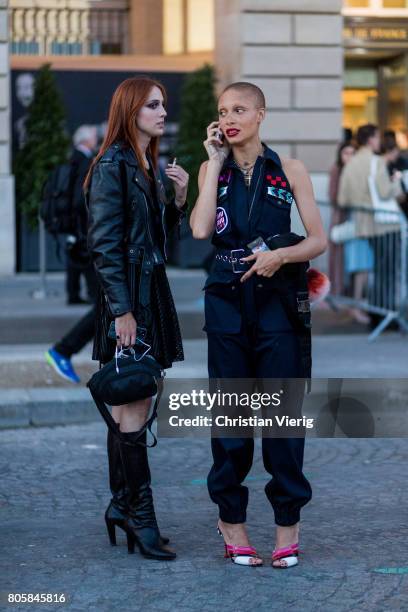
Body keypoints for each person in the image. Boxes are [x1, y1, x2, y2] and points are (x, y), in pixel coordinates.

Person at [190, 82, 327, 568]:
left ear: (261, 114)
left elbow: (317, 239)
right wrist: (212, 166)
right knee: (230, 421)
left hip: (278, 305)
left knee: (283, 420)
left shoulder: (289, 169)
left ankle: (288, 524)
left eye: (240, 109)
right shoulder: (212, 168)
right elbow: (201, 229)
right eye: (223, 111)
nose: (230, 118)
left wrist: (281, 256)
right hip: (226, 303)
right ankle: (232, 523)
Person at [86, 76, 189, 560]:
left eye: (163, 104)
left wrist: (177, 198)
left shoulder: (145, 165)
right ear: (130, 111)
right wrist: (122, 310)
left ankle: (121, 505)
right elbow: (104, 245)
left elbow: (159, 242)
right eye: (152, 105)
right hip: (130, 298)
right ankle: (139, 516)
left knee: (134, 401)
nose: (162, 112)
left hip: (148, 292)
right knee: (133, 404)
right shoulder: (112, 165)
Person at [45, 126, 99, 384]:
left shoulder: (71, 159)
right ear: (87, 140)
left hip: (80, 239)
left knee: (109, 305)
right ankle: (63, 350)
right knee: (109, 305)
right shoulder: (86, 161)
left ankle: (106, 362)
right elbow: (80, 201)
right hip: (89, 240)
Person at [337, 124, 402, 324]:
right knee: (389, 270)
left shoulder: (352, 163)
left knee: (379, 269)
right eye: (377, 137)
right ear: (371, 139)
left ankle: (377, 313)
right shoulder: (377, 162)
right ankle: (385, 315)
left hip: (362, 224)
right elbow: (384, 192)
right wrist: (397, 181)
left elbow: (342, 200)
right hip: (385, 224)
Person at [66, 125, 99, 305]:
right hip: (80, 216)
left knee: (75, 253)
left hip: (72, 215)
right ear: (85, 139)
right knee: (86, 254)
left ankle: (73, 293)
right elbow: (80, 192)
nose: (96, 139)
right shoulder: (85, 160)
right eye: (94, 136)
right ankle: (93, 293)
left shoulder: (73, 156)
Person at [328, 141, 355, 295]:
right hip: (340, 217)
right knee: (337, 253)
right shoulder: (336, 169)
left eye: (352, 153)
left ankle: (348, 290)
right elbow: (333, 195)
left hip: (353, 216)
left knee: (351, 255)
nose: (349, 157)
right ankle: (336, 289)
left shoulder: (354, 170)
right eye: (346, 153)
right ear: (340, 154)